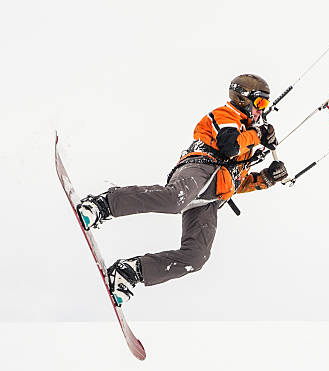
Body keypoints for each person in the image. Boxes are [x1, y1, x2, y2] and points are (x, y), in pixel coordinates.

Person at [76, 74, 288, 306]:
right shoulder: (228, 115)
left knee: (197, 257)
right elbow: (229, 146)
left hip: (210, 198)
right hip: (199, 167)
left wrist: (267, 178)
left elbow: (236, 183)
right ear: (243, 99)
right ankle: (103, 204)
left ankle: (130, 272)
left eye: (265, 106)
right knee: (173, 200)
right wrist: (258, 135)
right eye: (260, 104)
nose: (261, 111)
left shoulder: (247, 143)